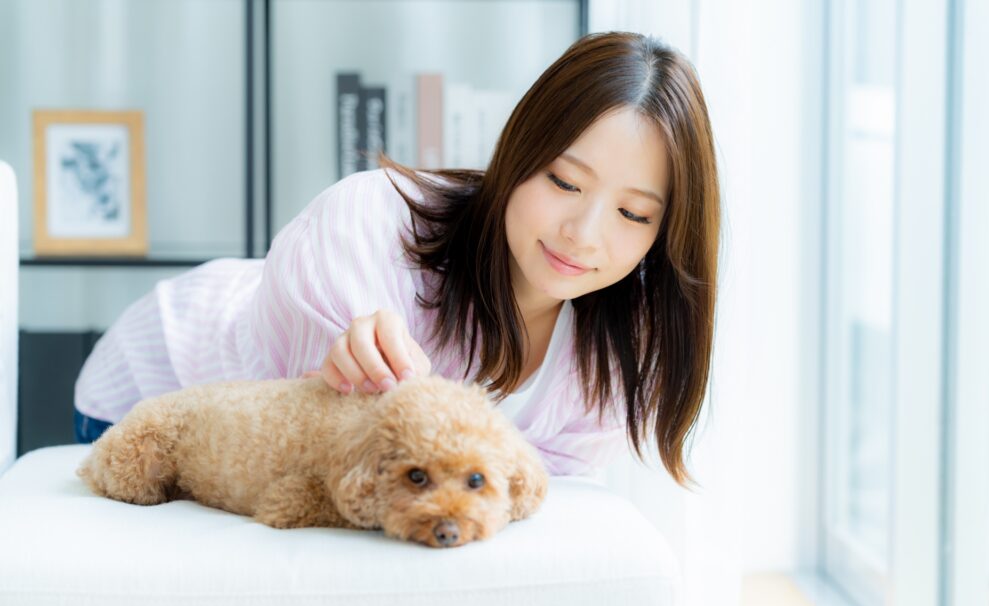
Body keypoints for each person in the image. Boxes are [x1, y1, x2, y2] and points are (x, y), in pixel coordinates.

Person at [73, 30, 721, 487]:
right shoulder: (368, 226)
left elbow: (528, 496)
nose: (584, 235)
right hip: (154, 390)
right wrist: (339, 366)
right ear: (517, 150)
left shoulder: (623, 342)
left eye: (633, 214)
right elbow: (337, 462)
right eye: (564, 181)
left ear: (664, 234)